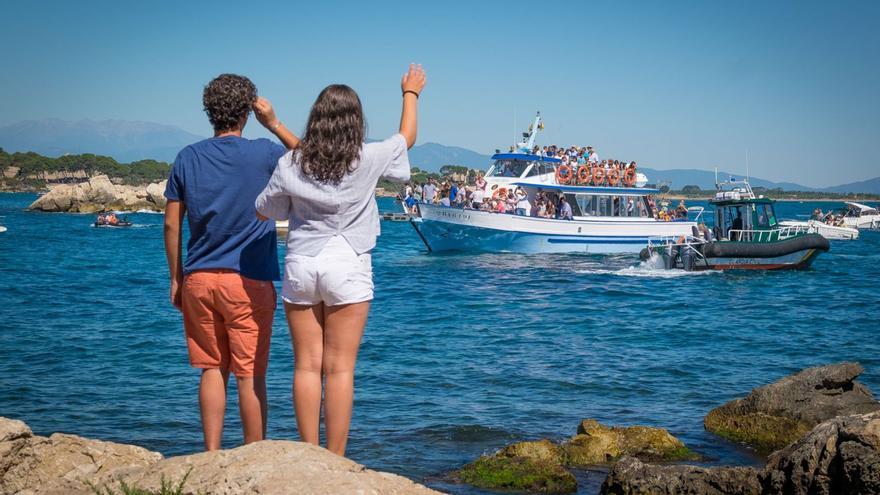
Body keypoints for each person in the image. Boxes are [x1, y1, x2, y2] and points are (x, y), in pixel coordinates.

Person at [255, 64, 425, 457]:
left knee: (306, 366)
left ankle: (308, 455)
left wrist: (276, 127)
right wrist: (410, 93)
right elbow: (407, 139)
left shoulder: (292, 163)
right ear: (356, 122)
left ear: (316, 118)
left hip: (302, 264)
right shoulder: (369, 158)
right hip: (348, 263)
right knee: (340, 369)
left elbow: (266, 210)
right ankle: (334, 460)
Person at [163, 74, 300, 451]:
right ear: (246, 112)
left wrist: (177, 277)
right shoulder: (265, 153)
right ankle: (252, 458)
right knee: (250, 375)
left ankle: (210, 456)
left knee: (211, 368)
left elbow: (172, 223)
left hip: (199, 279)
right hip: (249, 280)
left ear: (209, 111)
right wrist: (273, 122)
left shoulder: (187, 157)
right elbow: (310, 159)